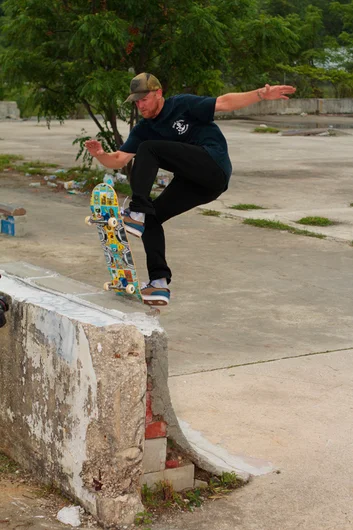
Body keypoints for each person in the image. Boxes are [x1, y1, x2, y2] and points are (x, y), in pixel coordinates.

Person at [85, 73, 296, 306]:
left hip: (213, 164)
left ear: (158, 94)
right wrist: (101, 155)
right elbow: (119, 159)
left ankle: (136, 210)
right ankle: (158, 283)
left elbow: (224, 102)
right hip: (198, 185)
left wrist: (260, 94)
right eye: (136, 102)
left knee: (148, 150)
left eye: (144, 99)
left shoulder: (182, 104)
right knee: (151, 219)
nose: (140, 105)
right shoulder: (144, 128)